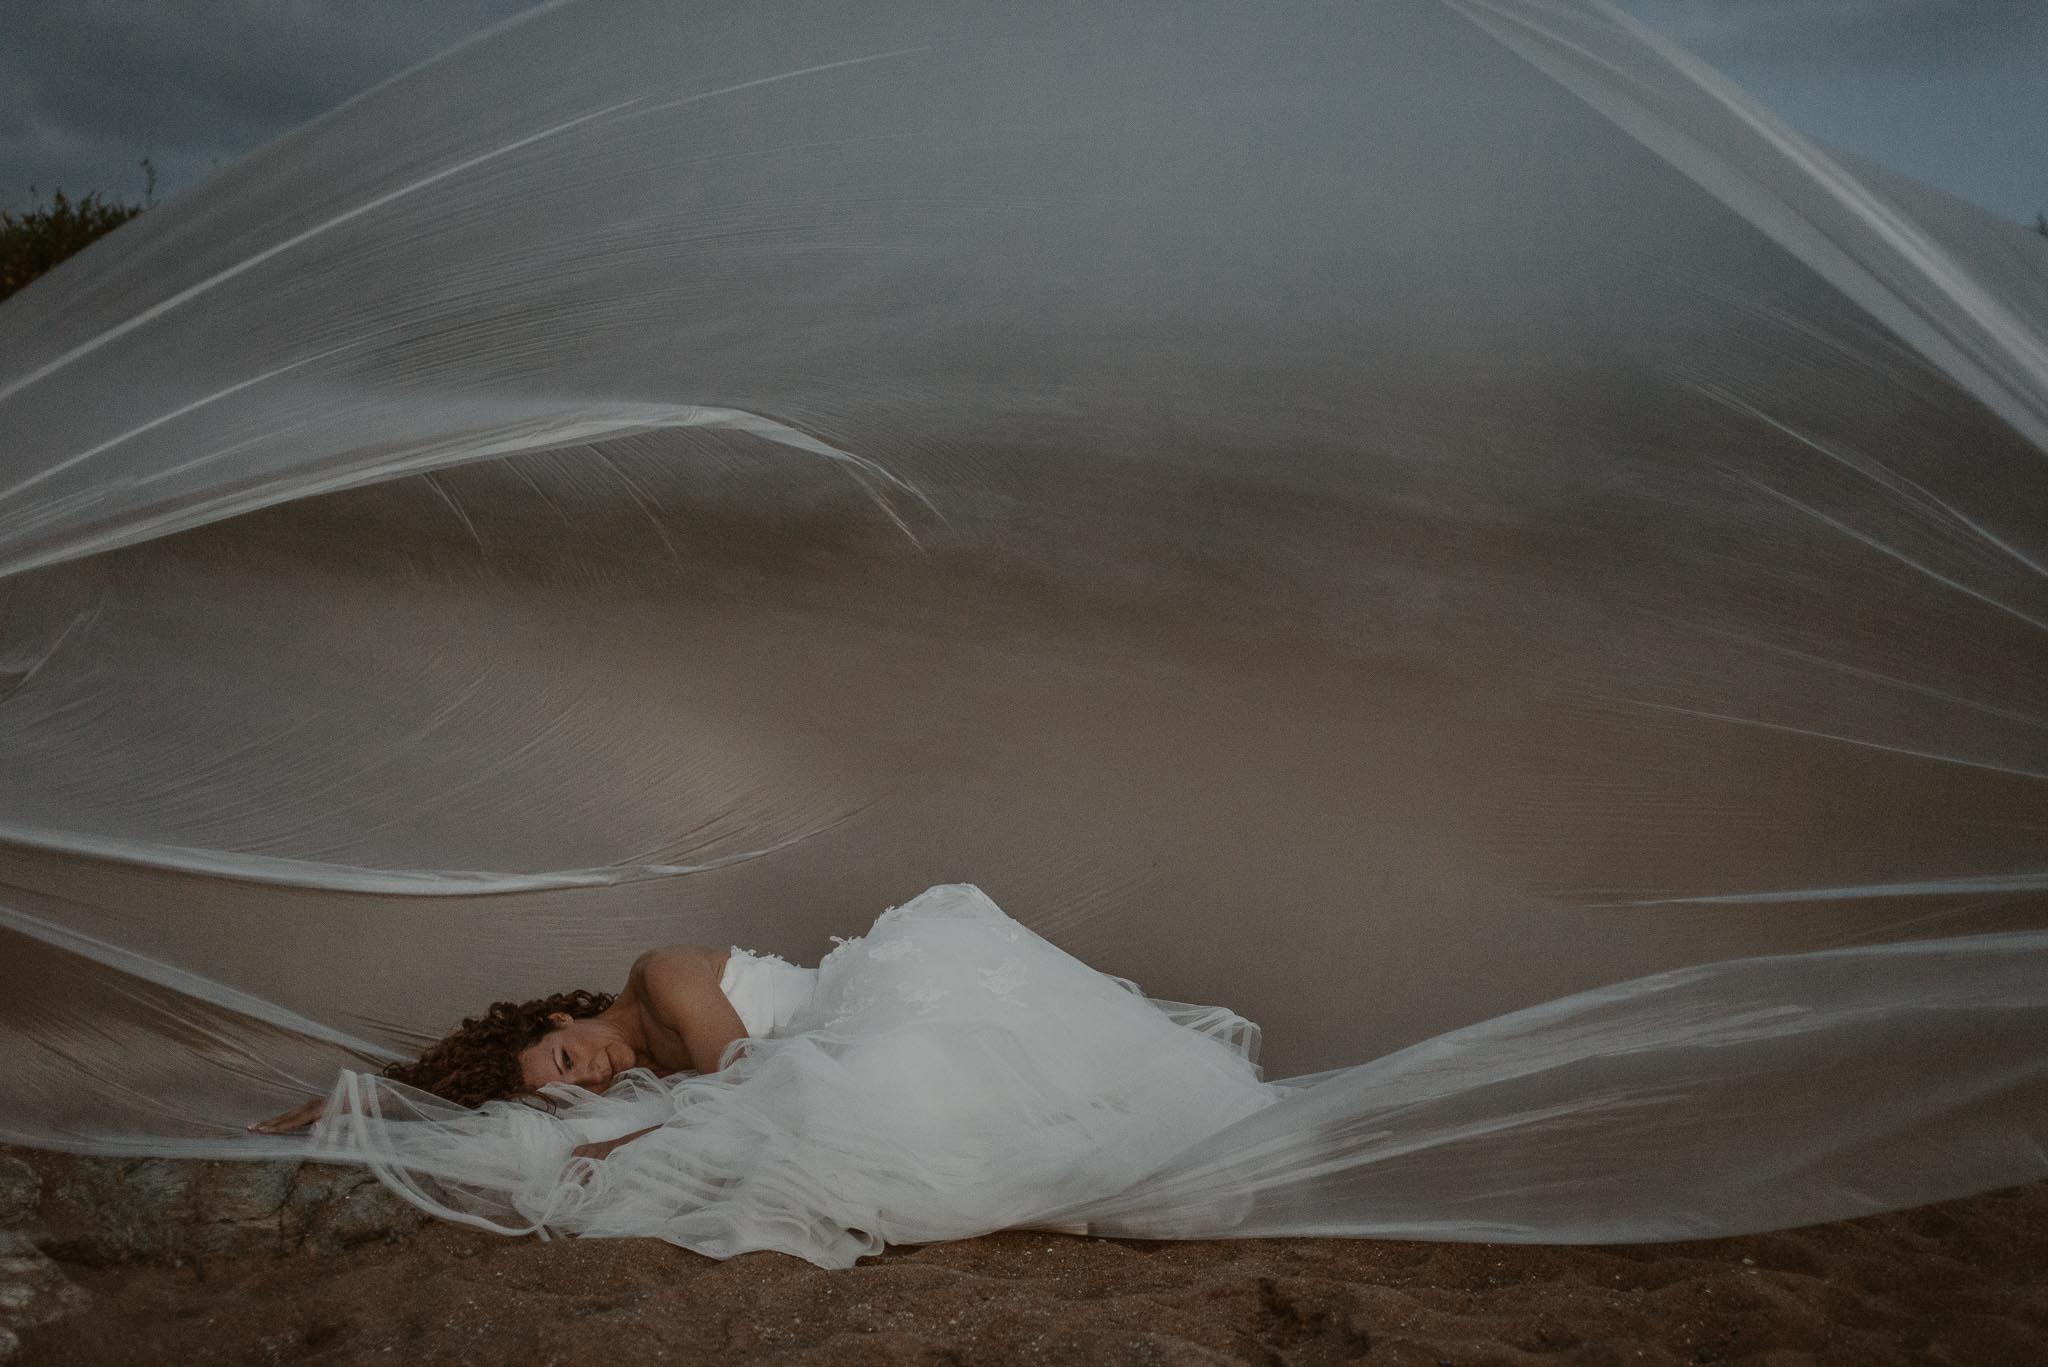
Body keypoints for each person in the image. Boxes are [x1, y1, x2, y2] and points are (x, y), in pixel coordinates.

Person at [249, 884, 1278, 1266]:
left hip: (886, 990)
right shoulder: (645, 1073)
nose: (594, 1069)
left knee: (889, 1100)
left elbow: (754, 1086)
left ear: (557, 1014)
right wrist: (384, 1094)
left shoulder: (658, 980)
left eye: (567, 1052)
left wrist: (627, 1137)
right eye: (576, 1082)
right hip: (830, 1051)